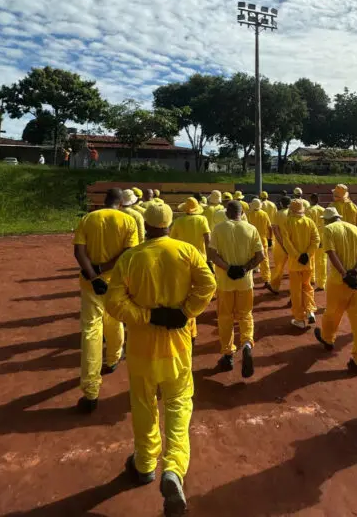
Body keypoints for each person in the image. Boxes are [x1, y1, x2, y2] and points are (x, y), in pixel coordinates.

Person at [106, 204, 215, 515]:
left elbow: (114, 302)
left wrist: (147, 315)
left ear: (146, 226)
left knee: (143, 403)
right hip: (178, 346)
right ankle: (173, 468)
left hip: (141, 348)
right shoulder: (187, 252)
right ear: (170, 223)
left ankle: (144, 463)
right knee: (179, 402)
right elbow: (208, 285)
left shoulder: (131, 258)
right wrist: (184, 312)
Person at [73, 188, 139, 413]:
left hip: (91, 284)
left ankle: (91, 390)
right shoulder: (128, 222)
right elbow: (128, 253)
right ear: (120, 203)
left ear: (105, 202)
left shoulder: (88, 219)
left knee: (91, 331)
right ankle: (112, 359)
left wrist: (93, 274)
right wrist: (104, 270)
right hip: (117, 282)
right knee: (115, 320)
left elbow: (79, 253)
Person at [208, 201, 264, 376]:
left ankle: (228, 354)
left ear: (227, 213)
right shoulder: (251, 229)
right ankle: (247, 343)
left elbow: (212, 255)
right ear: (241, 212)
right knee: (245, 315)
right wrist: (244, 268)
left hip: (225, 282)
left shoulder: (218, 228)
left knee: (225, 317)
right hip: (245, 282)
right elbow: (260, 256)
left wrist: (229, 268)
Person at [314, 208, 357, 375]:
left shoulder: (328, 230)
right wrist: (354, 272)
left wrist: (344, 274)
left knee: (332, 312)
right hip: (356, 281)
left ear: (327, 220)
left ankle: (328, 338)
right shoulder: (356, 229)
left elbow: (331, 254)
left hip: (339, 281)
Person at [282, 199, 320, 329]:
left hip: (295, 263)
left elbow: (286, 243)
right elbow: (316, 239)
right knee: (307, 287)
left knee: (296, 291)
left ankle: (299, 318)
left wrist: (298, 256)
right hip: (308, 263)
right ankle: (310, 310)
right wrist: (307, 254)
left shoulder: (287, 223)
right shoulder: (310, 222)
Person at [247, 198, 274, 291]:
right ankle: (267, 280)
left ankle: (249, 281)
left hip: (251, 240)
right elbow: (270, 227)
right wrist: (270, 238)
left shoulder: (249, 214)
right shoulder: (264, 214)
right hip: (263, 240)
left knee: (250, 260)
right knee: (265, 260)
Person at [269, 196, 291, 293]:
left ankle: (275, 286)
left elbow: (275, 230)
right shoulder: (293, 213)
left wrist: (282, 244)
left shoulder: (278, 213)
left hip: (280, 245)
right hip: (293, 244)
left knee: (279, 267)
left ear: (281, 203)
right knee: (294, 269)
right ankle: (295, 290)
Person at [306, 193, 327, 291]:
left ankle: (312, 278)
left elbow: (308, 226)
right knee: (322, 261)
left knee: (311, 259)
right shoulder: (324, 210)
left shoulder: (309, 211)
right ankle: (322, 283)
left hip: (313, 239)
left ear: (311, 200)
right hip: (322, 238)